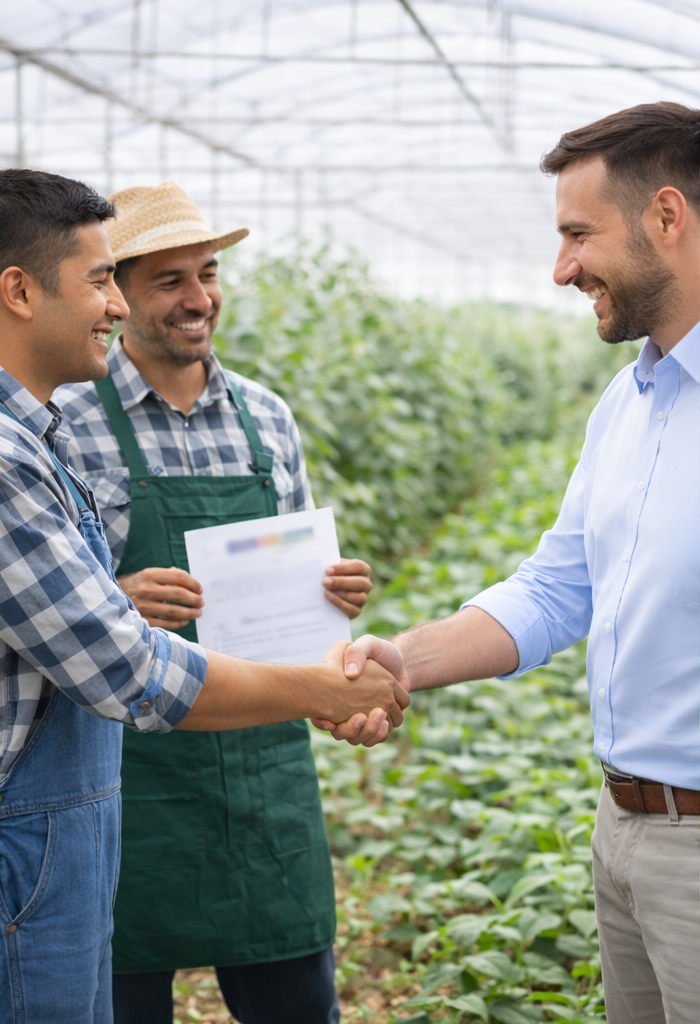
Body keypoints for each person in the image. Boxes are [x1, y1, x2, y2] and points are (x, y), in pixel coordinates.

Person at [0, 168, 407, 1024]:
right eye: (106, 279)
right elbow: (126, 667)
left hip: (185, 778)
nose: (116, 304)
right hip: (45, 815)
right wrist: (329, 689)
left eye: (207, 274)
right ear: (20, 292)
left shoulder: (247, 417)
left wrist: (327, 616)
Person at [331, 102, 700, 1024]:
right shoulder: (630, 401)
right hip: (623, 832)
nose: (561, 267)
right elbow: (554, 589)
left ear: (667, 216)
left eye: (579, 234)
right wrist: (397, 662)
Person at [57, 180, 377, 1024]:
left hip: (266, 771)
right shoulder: (68, 424)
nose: (201, 298)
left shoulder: (266, 418)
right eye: (171, 281)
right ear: (117, 296)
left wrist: (334, 597)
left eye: (208, 273)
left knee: (298, 1000)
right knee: (123, 999)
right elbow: (48, 608)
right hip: (132, 776)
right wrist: (115, 596)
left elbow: (303, 605)